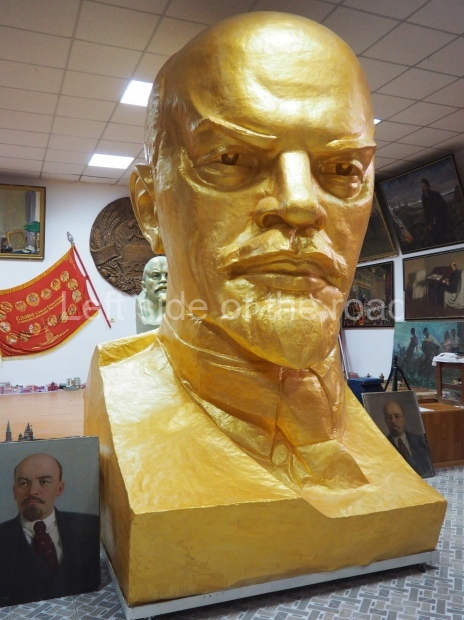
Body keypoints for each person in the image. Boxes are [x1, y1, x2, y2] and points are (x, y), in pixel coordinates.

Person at [85, 12, 445, 606]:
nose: (300, 204)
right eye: (230, 159)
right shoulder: (118, 390)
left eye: (342, 169)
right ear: (149, 207)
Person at [0, 453, 100, 606]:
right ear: (15, 491)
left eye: (44, 482)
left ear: (60, 488)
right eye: (24, 483)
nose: (32, 491)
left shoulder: (91, 526)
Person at [383, 401, 433, 478]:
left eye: (397, 416)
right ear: (385, 421)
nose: (393, 421)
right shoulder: (383, 445)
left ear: (404, 419)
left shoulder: (419, 440)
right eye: (389, 417)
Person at [135, 255, 168, 333]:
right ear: (144, 286)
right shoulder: (142, 308)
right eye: (156, 276)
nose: (163, 280)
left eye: (168, 275)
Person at [421, 178, 449, 245]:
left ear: (428, 186)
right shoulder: (423, 197)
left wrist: (438, 217)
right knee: (435, 239)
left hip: (440, 220)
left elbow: (443, 207)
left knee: (442, 238)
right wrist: (428, 223)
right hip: (431, 223)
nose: (422, 188)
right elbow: (425, 211)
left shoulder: (436, 194)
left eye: (424, 186)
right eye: (421, 186)